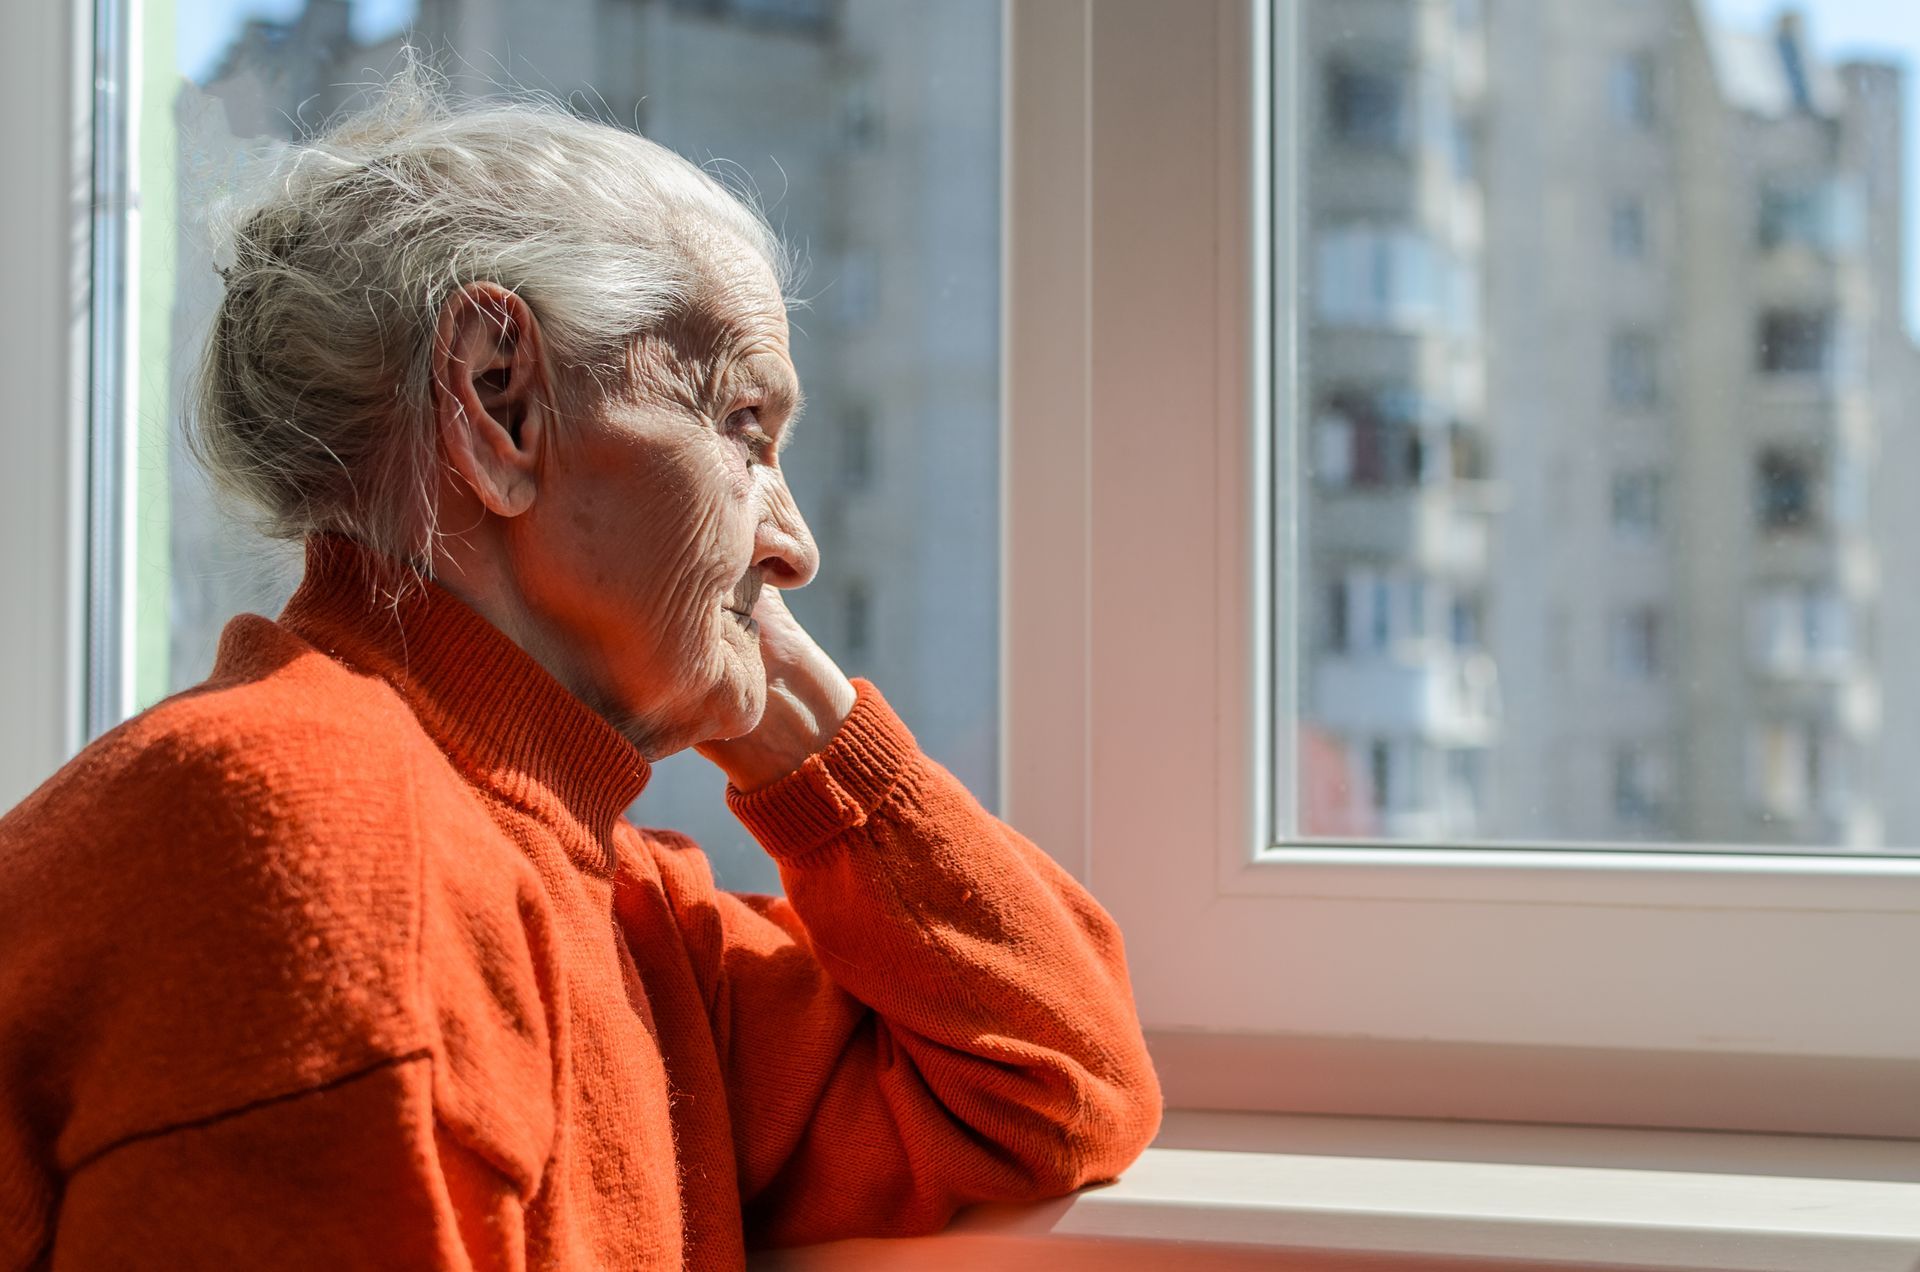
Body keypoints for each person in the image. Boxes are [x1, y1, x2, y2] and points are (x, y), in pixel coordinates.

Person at [0, 82, 1160, 1270]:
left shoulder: (616, 913)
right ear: (497, 398)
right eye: (744, 428)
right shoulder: (321, 839)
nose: (797, 546)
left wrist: (793, 713)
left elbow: (1055, 1086)